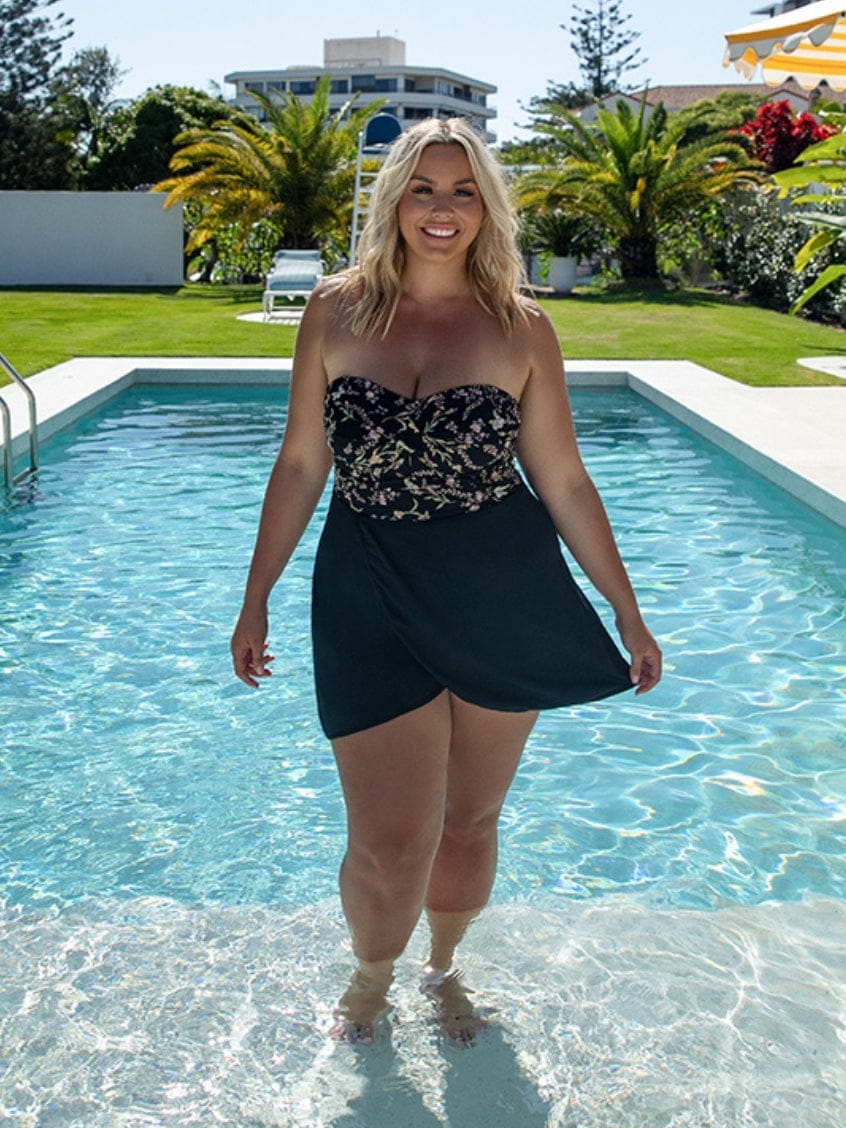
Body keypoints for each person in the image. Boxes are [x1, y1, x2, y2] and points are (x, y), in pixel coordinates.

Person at [230, 117, 661, 1046]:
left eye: (463, 191)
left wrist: (627, 611)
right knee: (388, 843)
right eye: (423, 189)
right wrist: (256, 592)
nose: (442, 209)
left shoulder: (521, 327)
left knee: (468, 819)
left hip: (502, 588)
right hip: (366, 588)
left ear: (486, 207)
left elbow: (566, 480)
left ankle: (444, 968)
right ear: (394, 200)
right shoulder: (334, 313)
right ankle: (371, 973)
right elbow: (302, 464)